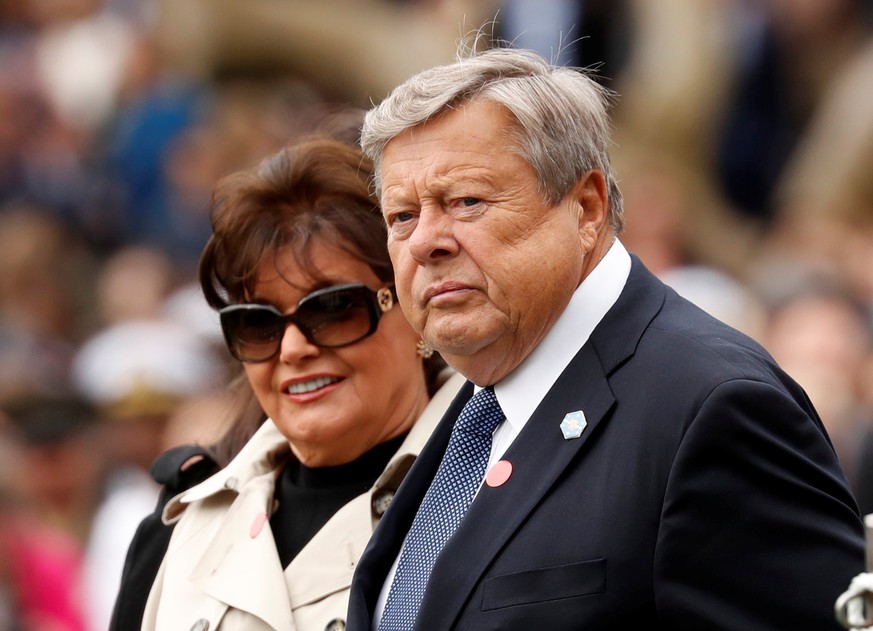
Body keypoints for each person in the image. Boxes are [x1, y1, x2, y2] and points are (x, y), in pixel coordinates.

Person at [345, 45, 866, 629]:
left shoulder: (714, 407)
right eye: (402, 217)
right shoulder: (483, 406)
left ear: (587, 207)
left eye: (466, 202)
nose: (424, 243)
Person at [118, 134, 462, 630]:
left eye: (333, 308)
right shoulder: (180, 529)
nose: (292, 348)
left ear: (412, 304)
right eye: (258, 323)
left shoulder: (498, 484)